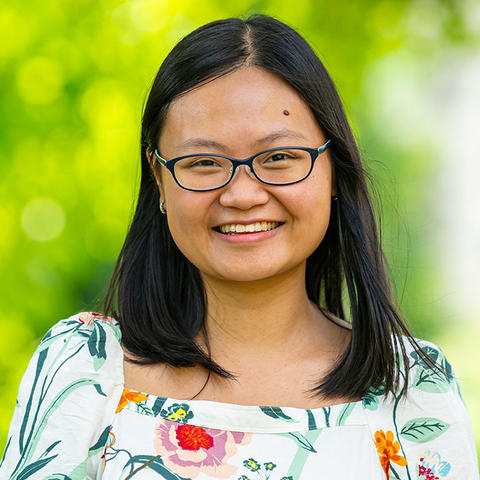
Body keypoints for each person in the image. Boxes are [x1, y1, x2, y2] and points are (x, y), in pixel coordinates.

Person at [0, 13, 478, 480]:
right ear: (159, 181)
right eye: (204, 162)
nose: (243, 195)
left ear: (334, 170)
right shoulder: (83, 366)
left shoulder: (416, 388)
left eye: (280, 157)